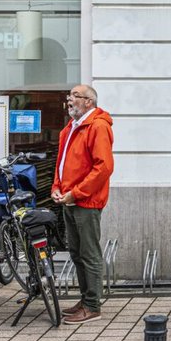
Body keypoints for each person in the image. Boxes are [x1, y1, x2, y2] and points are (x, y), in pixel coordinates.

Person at [51, 84, 113, 322]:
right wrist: (57, 187)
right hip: (69, 198)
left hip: (85, 201)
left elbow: (104, 167)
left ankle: (92, 305)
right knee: (76, 252)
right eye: (69, 96)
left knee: (88, 253)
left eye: (76, 96)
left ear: (89, 102)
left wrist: (76, 193)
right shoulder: (70, 129)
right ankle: (86, 298)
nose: (70, 100)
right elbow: (62, 162)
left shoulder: (97, 126)